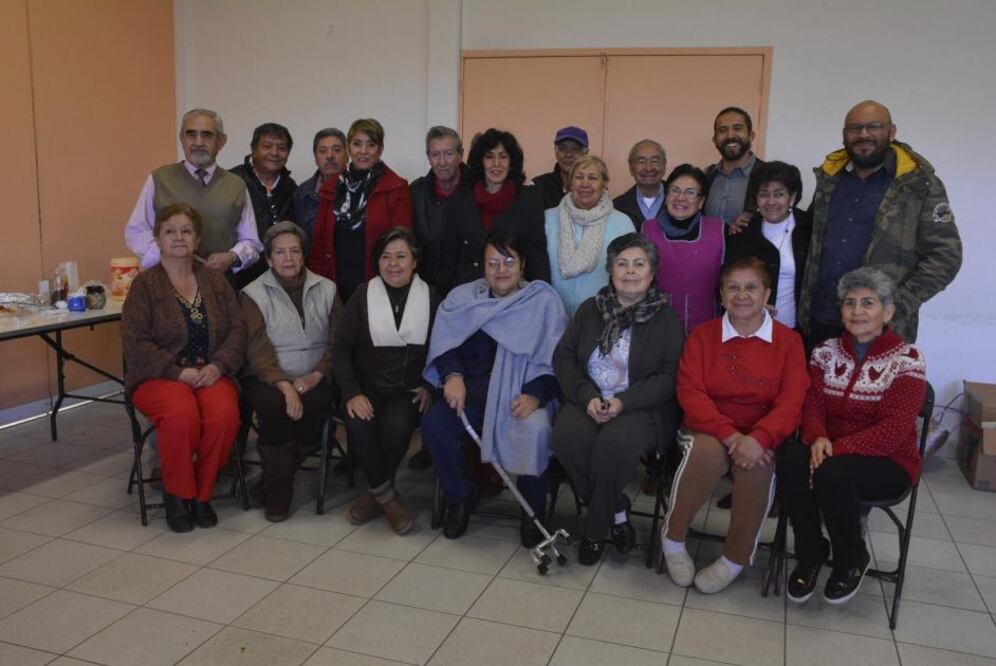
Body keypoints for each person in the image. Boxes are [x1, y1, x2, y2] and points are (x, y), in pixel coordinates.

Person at [778, 267, 927, 605]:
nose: (857, 311)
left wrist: (835, 448)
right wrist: (816, 437)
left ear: (888, 311)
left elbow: (893, 430)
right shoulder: (824, 352)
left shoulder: (907, 360)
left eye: (868, 303)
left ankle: (851, 558)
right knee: (789, 460)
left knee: (833, 472)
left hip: (888, 462)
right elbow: (812, 403)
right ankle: (811, 551)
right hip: (827, 449)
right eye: (849, 303)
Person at [662, 256, 808, 594]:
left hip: (763, 433)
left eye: (751, 287)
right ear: (722, 295)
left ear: (767, 293)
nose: (742, 295)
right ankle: (673, 540)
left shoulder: (789, 342)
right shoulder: (702, 336)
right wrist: (730, 436)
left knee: (760, 465)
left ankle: (735, 558)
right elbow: (691, 393)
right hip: (709, 429)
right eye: (733, 287)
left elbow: (792, 401)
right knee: (705, 453)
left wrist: (760, 438)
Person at [422, 230, 567, 546]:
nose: (501, 270)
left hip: (521, 393)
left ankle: (532, 511)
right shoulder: (464, 299)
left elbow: (557, 359)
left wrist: (536, 395)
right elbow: (445, 343)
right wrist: (452, 375)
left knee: (537, 429)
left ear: (523, 265)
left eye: (509, 261)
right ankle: (460, 497)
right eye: (493, 263)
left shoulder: (543, 301)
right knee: (435, 425)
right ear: (483, 267)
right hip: (470, 391)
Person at [552, 233, 684, 565]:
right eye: (622, 264)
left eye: (639, 264)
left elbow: (668, 377)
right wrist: (587, 397)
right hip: (589, 399)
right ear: (610, 270)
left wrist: (623, 402)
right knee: (567, 437)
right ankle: (616, 510)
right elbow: (564, 358)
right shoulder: (590, 309)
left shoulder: (666, 318)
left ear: (652, 273)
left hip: (640, 407)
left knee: (612, 447)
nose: (629, 271)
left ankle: (595, 532)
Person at [797, 100, 962, 349]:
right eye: (855, 128)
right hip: (821, 320)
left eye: (873, 126)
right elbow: (807, 236)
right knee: (817, 388)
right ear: (844, 135)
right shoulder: (829, 181)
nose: (863, 135)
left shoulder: (919, 185)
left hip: (881, 329)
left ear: (891, 132)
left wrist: (900, 302)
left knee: (872, 390)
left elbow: (946, 255)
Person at [122, 202, 245, 533]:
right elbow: (136, 344)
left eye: (186, 231)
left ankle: (202, 495)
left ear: (198, 238)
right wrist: (176, 372)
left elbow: (237, 330)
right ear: (158, 239)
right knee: (181, 416)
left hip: (211, 372)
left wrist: (219, 365)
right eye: (170, 231)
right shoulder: (144, 286)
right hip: (160, 377)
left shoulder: (216, 281)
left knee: (224, 416)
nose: (178, 237)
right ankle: (178, 495)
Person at [334, 228, 439, 533]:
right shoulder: (362, 294)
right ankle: (388, 500)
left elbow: (444, 348)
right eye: (385, 257)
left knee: (396, 424)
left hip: (408, 388)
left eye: (401, 257)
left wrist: (430, 386)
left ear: (414, 261)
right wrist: (352, 392)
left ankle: (373, 496)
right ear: (377, 262)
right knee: (359, 421)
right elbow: (340, 350)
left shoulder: (431, 297)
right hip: (366, 386)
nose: (393, 264)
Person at [241, 222, 337, 522]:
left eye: (295, 251)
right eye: (279, 252)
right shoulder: (252, 294)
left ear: (303, 255)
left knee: (321, 402)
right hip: (267, 376)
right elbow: (256, 349)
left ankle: (272, 484)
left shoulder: (327, 288)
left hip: (315, 374)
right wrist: (284, 385)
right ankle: (279, 496)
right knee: (273, 408)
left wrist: (316, 375)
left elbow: (340, 340)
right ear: (268, 259)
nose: (288, 258)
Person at [124, 108, 263, 281]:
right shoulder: (159, 179)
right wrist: (172, 255)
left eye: (207, 135)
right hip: (167, 281)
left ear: (221, 141)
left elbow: (251, 241)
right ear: (182, 138)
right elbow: (136, 232)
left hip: (219, 283)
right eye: (191, 135)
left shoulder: (236, 185)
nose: (198, 142)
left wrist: (232, 257)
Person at [308, 118, 414, 302]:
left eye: (371, 145)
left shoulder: (396, 187)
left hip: (380, 284)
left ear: (380, 149)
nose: (363, 151)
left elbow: (403, 244)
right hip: (336, 284)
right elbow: (319, 244)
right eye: (357, 144)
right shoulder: (331, 188)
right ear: (349, 148)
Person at [436, 128, 550, 295]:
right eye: (489, 157)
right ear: (480, 162)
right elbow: (447, 260)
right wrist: (442, 304)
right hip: (469, 297)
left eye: (503, 156)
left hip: (514, 297)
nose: (496, 164)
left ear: (512, 163)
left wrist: (543, 298)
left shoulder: (529, 200)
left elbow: (537, 257)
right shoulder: (459, 202)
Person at [725, 160, 811, 330]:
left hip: (796, 329)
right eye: (764, 194)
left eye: (779, 194)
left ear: (792, 196)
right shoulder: (743, 231)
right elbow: (727, 280)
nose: (771, 201)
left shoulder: (809, 228)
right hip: (749, 328)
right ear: (756, 198)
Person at [544, 155, 634, 314]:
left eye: (593, 178)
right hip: (553, 315)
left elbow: (630, 274)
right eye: (579, 177)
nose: (585, 184)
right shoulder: (547, 218)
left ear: (604, 183)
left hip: (604, 316)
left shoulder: (622, 223)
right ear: (570, 182)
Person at [641, 164, 725, 334]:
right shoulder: (647, 230)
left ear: (701, 201)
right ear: (666, 196)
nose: (681, 198)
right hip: (656, 330)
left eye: (690, 193)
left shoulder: (721, 231)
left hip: (708, 332)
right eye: (675, 190)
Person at [230, 122, 299, 288]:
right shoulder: (232, 181)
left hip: (281, 277)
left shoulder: (291, 187)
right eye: (267, 146)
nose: (274, 153)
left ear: (288, 153)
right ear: (253, 149)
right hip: (239, 275)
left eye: (281, 148)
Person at [410, 126, 466, 287]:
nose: (441, 162)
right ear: (428, 157)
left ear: (460, 155)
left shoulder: (477, 191)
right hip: (428, 290)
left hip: (470, 292)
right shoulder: (415, 193)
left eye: (448, 153)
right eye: (435, 154)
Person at [704, 106, 765, 227]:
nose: (730, 135)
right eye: (722, 130)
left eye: (737, 128)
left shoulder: (767, 174)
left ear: (751, 136)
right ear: (715, 140)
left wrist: (755, 216)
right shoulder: (706, 175)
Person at [293, 128, 347, 238]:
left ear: (347, 156)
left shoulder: (360, 188)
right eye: (323, 151)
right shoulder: (302, 193)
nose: (330, 156)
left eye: (337, 150)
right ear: (316, 159)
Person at [613, 139, 667, 230]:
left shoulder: (680, 202)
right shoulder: (617, 207)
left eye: (655, 161)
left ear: (664, 165)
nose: (648, 168)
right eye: (641, 162)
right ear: (631, 167)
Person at [532, 126, 590, 211]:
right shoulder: (538, 186)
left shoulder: (593, 187)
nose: (568, 154)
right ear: (556, 151)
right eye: (563, 148)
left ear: (585, 152)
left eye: (575, 149)